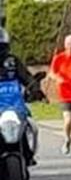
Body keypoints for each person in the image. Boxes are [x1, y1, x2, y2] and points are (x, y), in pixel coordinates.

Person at [0, 26, 46, 165]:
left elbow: (26, 77)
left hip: (13, 104)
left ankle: (27, 153)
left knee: (29, 123)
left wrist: (35, 89)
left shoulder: (13, 62)